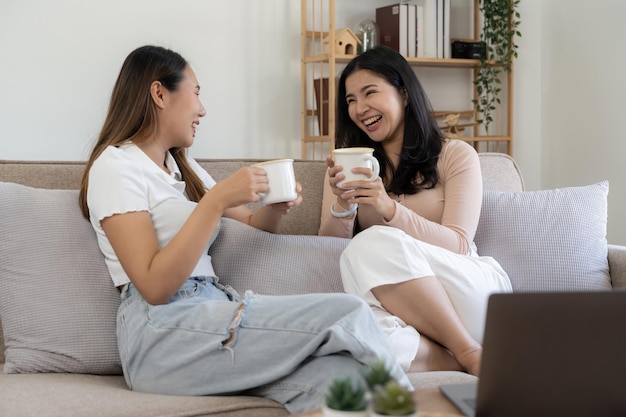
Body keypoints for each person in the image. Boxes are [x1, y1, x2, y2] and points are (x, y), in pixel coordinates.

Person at [78, 45, 409, 414]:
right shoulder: (116, 166)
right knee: (349, 312)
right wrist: (216, 200)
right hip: (161, 334)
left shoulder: (181, 169)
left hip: (210, 316)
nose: (202, 109)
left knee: (341, 378)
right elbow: (154, 287)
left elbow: (253, 225)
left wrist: (272, 208)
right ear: (159, 93)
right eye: (197, 93)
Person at [318, 45, 512, 377]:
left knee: (372, 242)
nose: (360, 108)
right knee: (355, 339)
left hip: (470, 291)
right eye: (351, 100)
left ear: (404, 94)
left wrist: (388, 209)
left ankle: (468, 350)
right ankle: (452, 358)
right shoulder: (344, 167)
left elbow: (458, 244)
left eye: (369, 93)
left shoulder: (455, 155)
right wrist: (343, 204)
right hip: (410, 311)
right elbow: (331, 249)